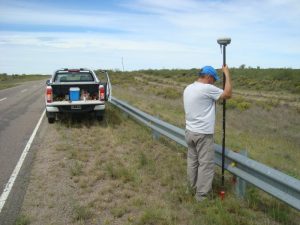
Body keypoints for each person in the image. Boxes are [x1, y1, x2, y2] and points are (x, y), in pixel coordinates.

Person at [183, 65, 232, 202]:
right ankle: (202, 197)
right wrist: (227, 74)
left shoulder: (188, 88)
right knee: (206, 165)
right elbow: (228, 94)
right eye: (214, 79)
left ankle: (190, 189)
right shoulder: (206, 88)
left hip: (190, 131)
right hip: (203, 134)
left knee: (192, 162)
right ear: (208, 77)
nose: (214, 82)